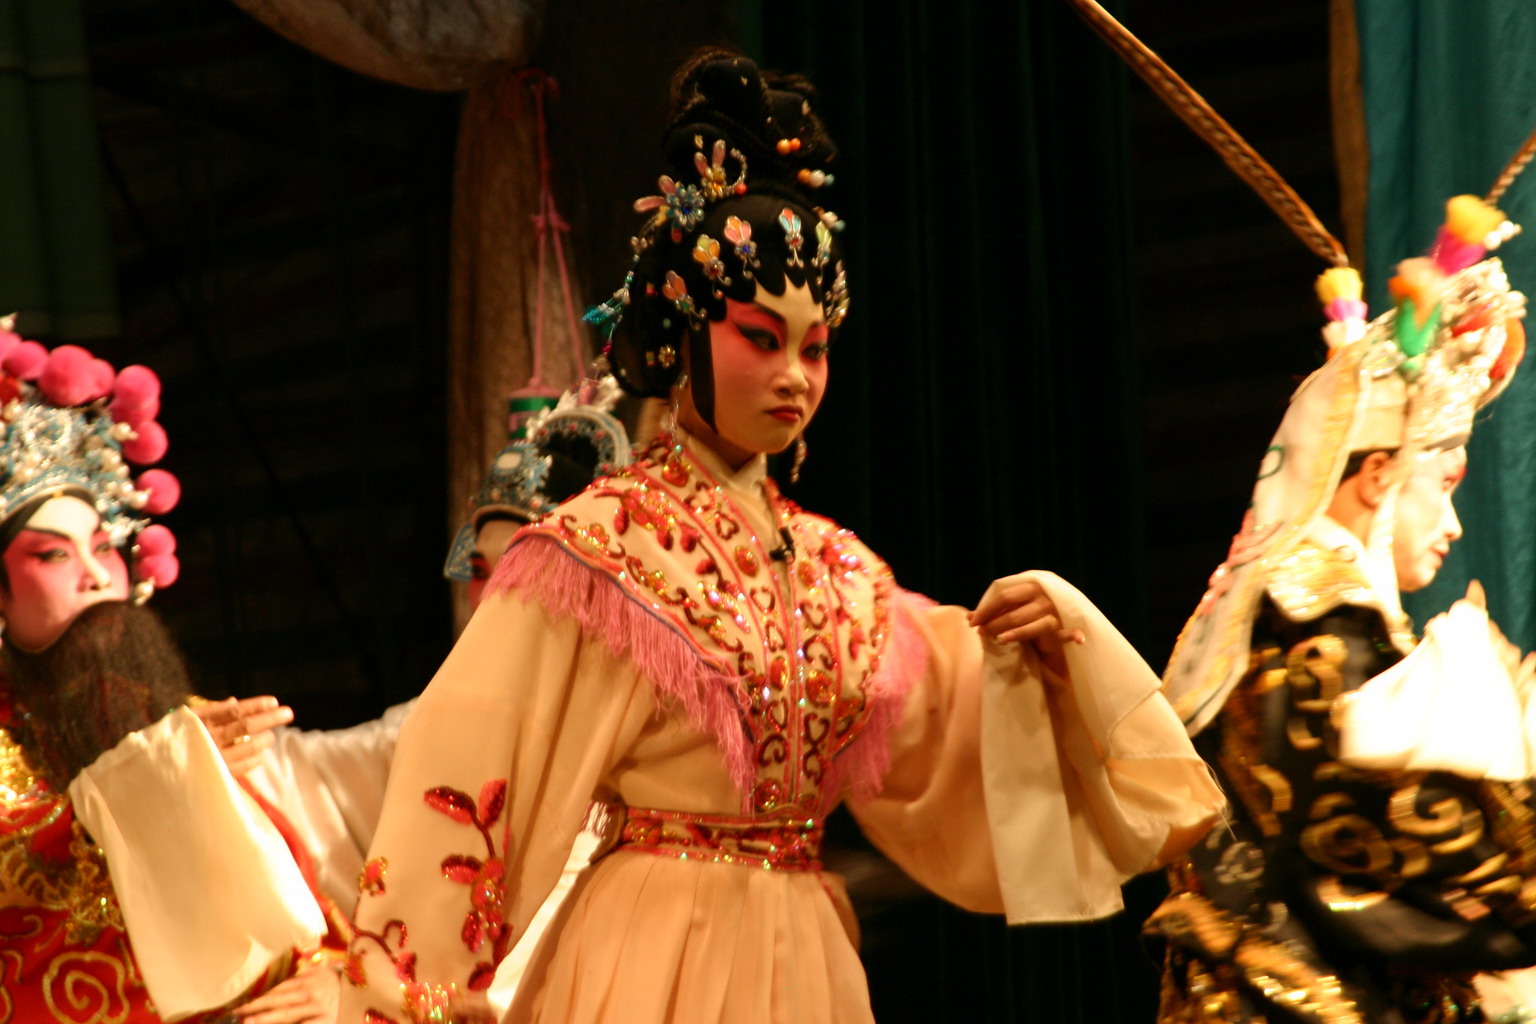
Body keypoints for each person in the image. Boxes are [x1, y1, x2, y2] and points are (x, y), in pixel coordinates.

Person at [338, 51, 1223, 1024]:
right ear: (683, 335)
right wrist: (418, 991)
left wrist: (1031, 650)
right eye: (761, 338)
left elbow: (948, 733)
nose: (795, 376)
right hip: (651, 957)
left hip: (806, 956)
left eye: (816, 346)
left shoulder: (843, 574)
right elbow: (470, 765)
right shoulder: (598, 552)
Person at [1149, 196, 1536, 1022]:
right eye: (1445, 486)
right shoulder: (1314, 623)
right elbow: (1384, 835)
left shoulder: (1280, 612)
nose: (1455, 524)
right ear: (1376, 477)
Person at [0, 327, 347, 1023]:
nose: (97, 575)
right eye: (53, 555)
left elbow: (291, 895)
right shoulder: (177, 745)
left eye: (104, 546)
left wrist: (333, 973)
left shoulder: (177, 720)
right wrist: (161, 779)